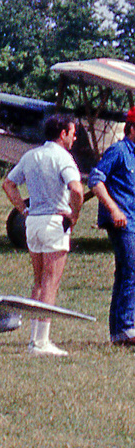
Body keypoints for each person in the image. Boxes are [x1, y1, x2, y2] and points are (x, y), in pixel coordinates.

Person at [3, 113, 84, 356]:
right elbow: (77, 189)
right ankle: (42, 342)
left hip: (33, 222)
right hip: (53, 222)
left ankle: (34, 339)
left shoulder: (31, 156)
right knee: (51, 282)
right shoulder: (64, 158)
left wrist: (23, 210)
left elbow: (8, 184)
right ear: (63, 134)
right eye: (72, 132)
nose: (74, 137)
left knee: (38, 281)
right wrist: (74, 214)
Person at [87, 107, 135, 345]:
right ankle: (126, 328)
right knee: (130, 270)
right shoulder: (119, 151)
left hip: (133, 219)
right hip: (122, 220)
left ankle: (119, 332)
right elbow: (95, 179)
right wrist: (114, 208)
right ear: (132, 128)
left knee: (127, 272)